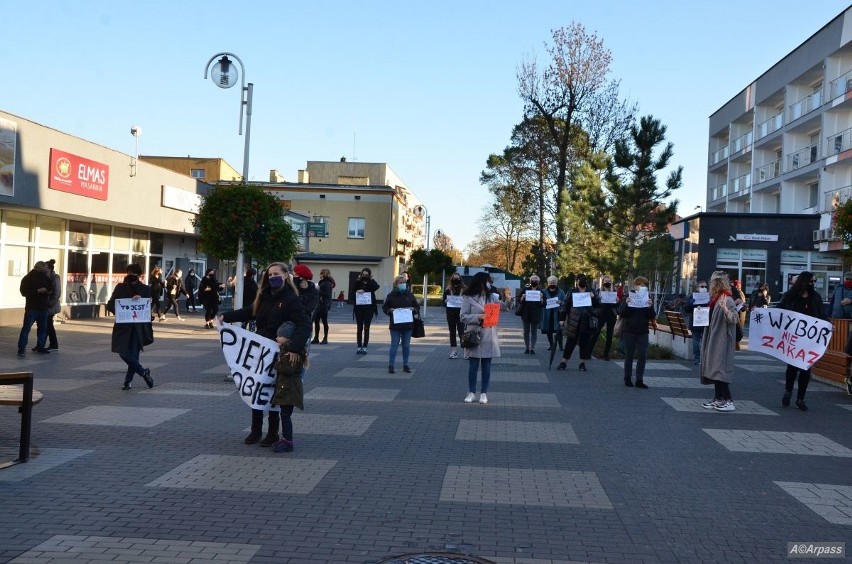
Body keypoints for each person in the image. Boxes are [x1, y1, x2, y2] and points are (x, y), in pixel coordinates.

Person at [221, 263, 311, 447]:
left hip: (278, 353)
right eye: (270, 274)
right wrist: (227, 317)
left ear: (286, 275)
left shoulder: (291, 299)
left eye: (276, 274)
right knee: (257, 389)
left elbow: (304, 325)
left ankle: (272, 433)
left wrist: (294, 348)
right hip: (260, 350)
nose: (272, 277)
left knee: (272, 392)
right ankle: (255, 430)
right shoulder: (264, 295)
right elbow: (250, 312)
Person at [778, 271, 826, 411]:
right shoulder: (790, 296)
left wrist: (828, 325)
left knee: (806, 369)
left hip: (809, 339)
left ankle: (800, 398)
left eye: (814, 282)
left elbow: (822, 314)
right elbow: (779, 311)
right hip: (793, 338)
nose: (813, 284)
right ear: (803, 282)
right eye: (811, 281)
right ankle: (788, 391)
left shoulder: (815, 297)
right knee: (792, 367)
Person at [106, 263, 154, 390]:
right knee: (123, 353)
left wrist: (141, 300)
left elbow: (147, 307)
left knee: (134, 355)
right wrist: (122, 312)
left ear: (139, 275)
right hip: (123, 327)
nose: (130, 275)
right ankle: (144, 372)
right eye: (129, 272)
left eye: (133, 273)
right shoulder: (120, 287)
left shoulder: (145, 289)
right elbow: (110, 304)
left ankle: (128, 381)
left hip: (138, 328)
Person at [699, 271, 739, 411]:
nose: (710, 285)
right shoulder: (715, 299)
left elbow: (734, 318)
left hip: (721, 340)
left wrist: (725, 309)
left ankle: (728, 400)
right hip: (713, 338)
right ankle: (718, 399)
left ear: (717, 284)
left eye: (712, 283)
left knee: (719, 370)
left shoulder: (727, 299)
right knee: (714, 369)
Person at [460, 272, 500, 404]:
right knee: (473, 365)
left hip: (489, 335)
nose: (489, 283)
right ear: (481, 282)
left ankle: (484, 393)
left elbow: (504, 308)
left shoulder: (492, 297)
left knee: (487, 366)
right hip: (474, 336)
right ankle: (471, 392)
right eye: (487, 281)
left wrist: (509, 299)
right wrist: (478, 317)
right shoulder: (468, 297)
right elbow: (463, 316)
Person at [271, 321, 307, 453]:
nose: (277, 338)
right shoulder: (287, 351)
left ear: (287, 338)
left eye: (279, 336)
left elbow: (288, 369)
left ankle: (288, 441)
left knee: (285, 415)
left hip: (290, 390)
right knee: (284, 414)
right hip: (287, 388)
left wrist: (277, 364)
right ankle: (285, 438)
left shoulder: (291, 354)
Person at [617, 276, 655, 388]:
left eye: (645, 285)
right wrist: (627, 304)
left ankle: (639, 379)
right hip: (629, 329)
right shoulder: (629, 295)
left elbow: (652, 316)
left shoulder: (648, 297)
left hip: (643, 330)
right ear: (636, 286)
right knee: (629, 353)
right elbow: (622, 313)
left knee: (643, 354)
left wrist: (650, 307)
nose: (643, 287)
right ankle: (627, 378)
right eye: (641, 285)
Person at [556, 274, 599, 371]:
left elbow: (598, 305)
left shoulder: (591, 291)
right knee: (570, 342)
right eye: (580, 280)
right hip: (574, 321)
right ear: (577, 282)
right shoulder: (572, 292)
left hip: (587, 321)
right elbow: (565, 305)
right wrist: (562, 319)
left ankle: (582, 363)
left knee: (584, 343)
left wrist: (593, 298)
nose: (582, 282)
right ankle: (564, 362)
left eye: (584, 280)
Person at [382, 274, 420, 373]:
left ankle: (406, 365)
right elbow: (385, 307)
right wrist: (389, 310)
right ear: (396, 284)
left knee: (406, 345)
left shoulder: (410, 295)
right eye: (401, 282)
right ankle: (391, 365)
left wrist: (414, 309)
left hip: (408, 325)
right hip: (395, 325)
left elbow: (417, 306)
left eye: (404, 282)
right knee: (394, 344)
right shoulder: (391, 295)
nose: (403, 284)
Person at [17, 261, 53, 356]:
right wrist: (37, 291)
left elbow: (50, 288)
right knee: (27, 328)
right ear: (39, 268)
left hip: (43, 307)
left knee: (42, 329)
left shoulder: (45, 277)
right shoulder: (28, 278)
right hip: (32, 308)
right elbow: (24, 292)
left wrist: (47, 291)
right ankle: (21, 348)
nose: (46, 268)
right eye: (44, 267)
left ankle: (40, 347)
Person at [351, 267, 379, 354]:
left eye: (367, 275)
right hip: (359, 308)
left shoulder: (371, 282)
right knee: (359, 327)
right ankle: (359, 346)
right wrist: (358, 291)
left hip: (369, 308)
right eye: (363, 275)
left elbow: (376, 287)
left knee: (367, 327)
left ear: (369, 275)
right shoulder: (358, 282)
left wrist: (369, 282)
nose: (365, 276)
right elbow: (352, 293)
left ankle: (365, 346)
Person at [683, 280, 709, 365]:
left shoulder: (709, 296)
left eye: (705, 287)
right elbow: (686, 309)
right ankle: (697, 357)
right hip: (696, 321)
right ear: (697, 288)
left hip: (706, 321)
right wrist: (691, 304)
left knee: (705, 340)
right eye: (702, 286)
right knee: (696, 340)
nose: (704, 288)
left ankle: (704, 358)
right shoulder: (693, 297)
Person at [518, 275, 545, 354]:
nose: (534, 282)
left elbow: (544, 304)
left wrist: (541, 299)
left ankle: (532, 348)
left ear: (538, 282)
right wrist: (522, 297)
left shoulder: (541, 292)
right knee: (526, 331)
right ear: (530, 281)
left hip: (536, 314)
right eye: (533, 280)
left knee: (534, 332)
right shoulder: (525, 290)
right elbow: (519, 301)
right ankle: (527, 348)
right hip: (526, 314)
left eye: (536, 280)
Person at [593, 275, 618, 360]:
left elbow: (618, 305)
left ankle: (606, 354)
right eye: (606, 281)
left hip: (611, 314)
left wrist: (617, 300)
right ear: (603, 283)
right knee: (596, 332)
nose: (607, 283)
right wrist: (598, 299)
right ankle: (588, 352)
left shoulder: (614, 291)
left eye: (609, 281)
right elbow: (595, 303)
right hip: (601, 314)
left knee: (609, 334)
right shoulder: (599, 291)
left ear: (611, 283)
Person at [539, 276, 565, 352]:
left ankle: (560, 346)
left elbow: (565, 302)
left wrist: (561, 302)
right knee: (549, 330)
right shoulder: (543, 292)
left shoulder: (561, 292)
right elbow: (541, 303)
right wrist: (542, 300)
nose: (552, 284)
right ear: (548, 283)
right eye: (551, 282)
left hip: (557, 313)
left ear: (556, 283)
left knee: (559, 330)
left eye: (554, 282)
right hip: (547, 314)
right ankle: (551, 345)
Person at [443, 273, 466, 358]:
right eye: (454, 279)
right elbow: (444, 302)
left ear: (460, 279)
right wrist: (445, 302)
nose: (456, 280)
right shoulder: (448, 290)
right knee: (452, 333)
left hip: (461, 315)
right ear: (451, 280)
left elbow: (468, 301)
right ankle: (453, 352)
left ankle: (465, 352)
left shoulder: (464, 290)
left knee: (462, 333)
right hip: (451, 314)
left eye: (457, 278)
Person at [312, 268, 335, 344]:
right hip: (321, 303)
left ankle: (325, 338)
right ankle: (316, 338)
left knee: (323, 321)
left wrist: (318, 291)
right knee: (316, 320)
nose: (320, 275)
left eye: (322, 273)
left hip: (324, 304)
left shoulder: (327, 282)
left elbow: (327, 295)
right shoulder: (324, 282)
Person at [45, 259, 61, 351]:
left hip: (51, 306)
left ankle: (52, 344)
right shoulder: (47, 277)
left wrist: (49, 304)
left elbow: (57, 293)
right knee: (48, 325)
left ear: (50, 269)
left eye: (46, 268)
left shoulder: (54, 278)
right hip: (48, 305)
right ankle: (53, 344)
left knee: (48, 325)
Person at [730, 279, 746, 350]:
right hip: (736, 314)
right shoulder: (735, 291)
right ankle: (736, 345)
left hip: (738, 314)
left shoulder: (739, 292)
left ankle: (736, 345)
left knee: (737, 331)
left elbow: (742, 302)